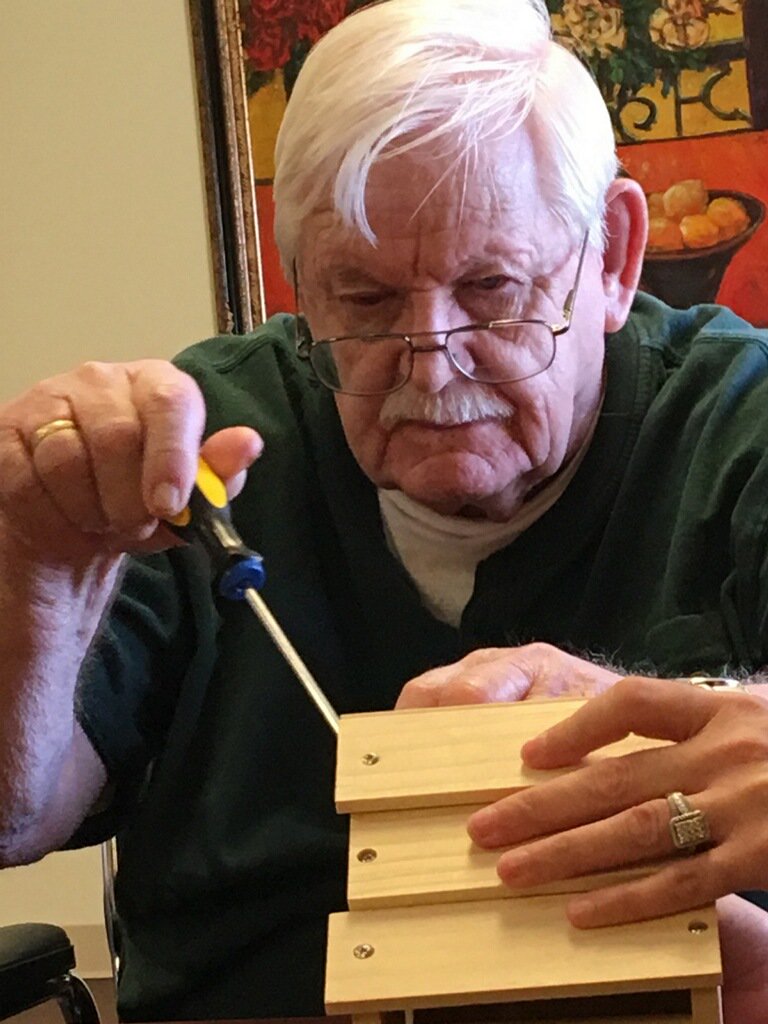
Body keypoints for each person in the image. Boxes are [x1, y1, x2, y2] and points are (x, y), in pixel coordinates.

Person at [1, 0, 767, 1019]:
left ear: (615, 257)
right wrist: (33, 570)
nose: (432, 366)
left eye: (491, 288)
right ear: (300, 288)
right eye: (363, 302)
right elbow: (13, 816)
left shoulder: (742, 420)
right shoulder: (200, 451)